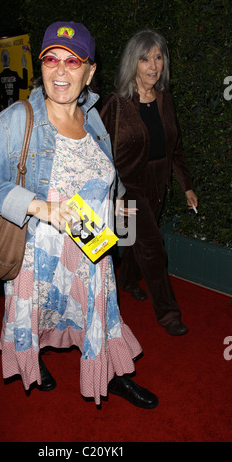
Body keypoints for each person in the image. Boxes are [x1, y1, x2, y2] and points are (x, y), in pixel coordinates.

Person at [0, 21, 158, 409]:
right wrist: (40, 207)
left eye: (73, 62)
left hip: (91, 254)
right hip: (37, 259)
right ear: (40, 67)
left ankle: (114, 376)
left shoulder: (93, 118)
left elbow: (106, 171)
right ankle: (34, 360)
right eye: (51, 59)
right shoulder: (14, 122)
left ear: (89, 72)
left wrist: (119, 202)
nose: (60, 71)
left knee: (100, 314)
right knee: (38, 315)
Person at [100, 29, 198, 336]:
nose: (153, 65)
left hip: (158, 183)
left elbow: (175, 146)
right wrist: (110, 190)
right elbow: (97, 149)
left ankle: (128, 281)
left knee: (134, 241)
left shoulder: (165, 100)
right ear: (133, 63)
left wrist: (186, 185)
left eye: (158, 57)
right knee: (154, 248)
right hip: (128, 188)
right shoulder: (116, 104)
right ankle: (169, 315)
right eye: (145, 58)